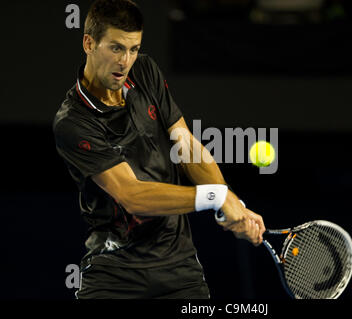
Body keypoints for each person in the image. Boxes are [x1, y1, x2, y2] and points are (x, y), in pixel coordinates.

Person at [53, 0, 265, 299]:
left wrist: (229, 204)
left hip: (180, 272)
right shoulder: (73, 122)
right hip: (114, 276)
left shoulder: (145, 71)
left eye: (133, 49)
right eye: (115, 48)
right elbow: (133, 196)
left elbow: (186, 143)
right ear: (88, 42)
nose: (125, 61)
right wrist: (216, 196)